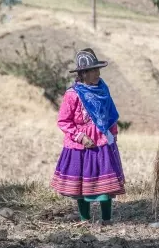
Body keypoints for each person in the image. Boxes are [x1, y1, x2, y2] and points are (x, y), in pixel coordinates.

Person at [50, 48, 125, 226]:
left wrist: (112, 135)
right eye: (94, 70)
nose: (98, 73)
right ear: (84, 73)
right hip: (81, 145)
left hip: (102, 141)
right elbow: (64, 121)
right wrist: (81, 137)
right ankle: (85, 219)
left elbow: (109, 114)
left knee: (106, 182)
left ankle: (107, 220)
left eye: (98, 70)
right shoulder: (72, 94)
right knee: (81, 185)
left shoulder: (103, 90)